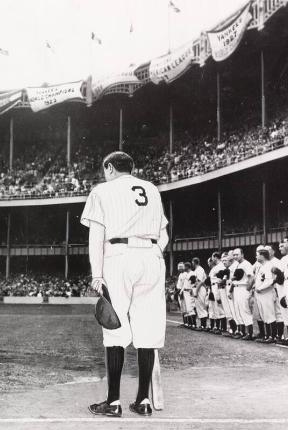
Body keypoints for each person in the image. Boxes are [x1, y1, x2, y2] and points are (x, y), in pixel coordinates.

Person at [81, 151, 169, 417]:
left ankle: (114, 402)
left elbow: (96, 236)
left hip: (119, 256)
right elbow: (164, 235)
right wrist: (150, 254)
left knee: (115, 329)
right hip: (153, 257)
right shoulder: (152, 189)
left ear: (109, 167)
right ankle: (143, 401)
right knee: (148, 331)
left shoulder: (102, 190)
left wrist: (97, 273)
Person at [254, 249, 277, 343]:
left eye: (257, 255)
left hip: (266, 293)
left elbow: (270, 281)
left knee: (269, 314)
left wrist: (260, 288)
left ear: (262, 256)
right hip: (261, 294)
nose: (256, 257)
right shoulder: (261, 266)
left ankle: (272, 336)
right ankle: (267, 335)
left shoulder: (268, 265)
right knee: (264, 315)